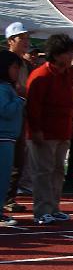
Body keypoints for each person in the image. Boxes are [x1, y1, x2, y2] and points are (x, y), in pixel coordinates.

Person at [26, 34, 73, 225]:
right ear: (56, 54)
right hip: (44, 133)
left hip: (63, 131)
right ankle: (41, 211)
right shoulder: (40, 75)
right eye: (69, 52)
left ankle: (54, 207)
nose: (72, 56)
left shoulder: (70, 75)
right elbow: (33, 106)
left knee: (58, 171)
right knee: (43, 171)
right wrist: (37, 130)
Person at [3, 21, 34, 214]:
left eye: (27, 38)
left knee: (18, 159)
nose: (26, 41)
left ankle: (9, 197)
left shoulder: (26, 65)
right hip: (5, 116)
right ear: (10, 41)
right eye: (21, 38)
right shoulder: (3, 62)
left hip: (21, 115)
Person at [0, 51, 26, 226]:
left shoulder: (7, 87)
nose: (17, 72)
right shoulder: (3, 88)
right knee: (2, 178)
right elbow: (5, 111)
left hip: (8, 138)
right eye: (15, 67)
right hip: (3, 138)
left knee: (4, 177)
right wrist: (20, 99)